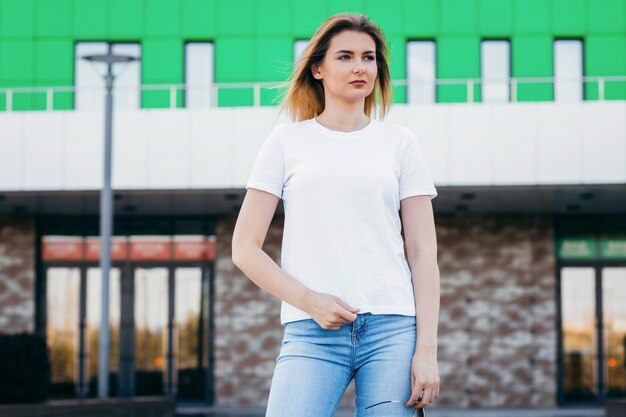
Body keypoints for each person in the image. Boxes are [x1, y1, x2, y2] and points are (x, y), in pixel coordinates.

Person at [232, 12, 440, 417]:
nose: (360, 67)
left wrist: (427, 350)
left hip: (392, 329)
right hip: (312, 330)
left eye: (369, 57)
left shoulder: (400, 143)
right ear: (317, 68)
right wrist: (309, 300)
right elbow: (244, 247)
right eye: (345, 56)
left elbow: (422, 253)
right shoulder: (286, 142)